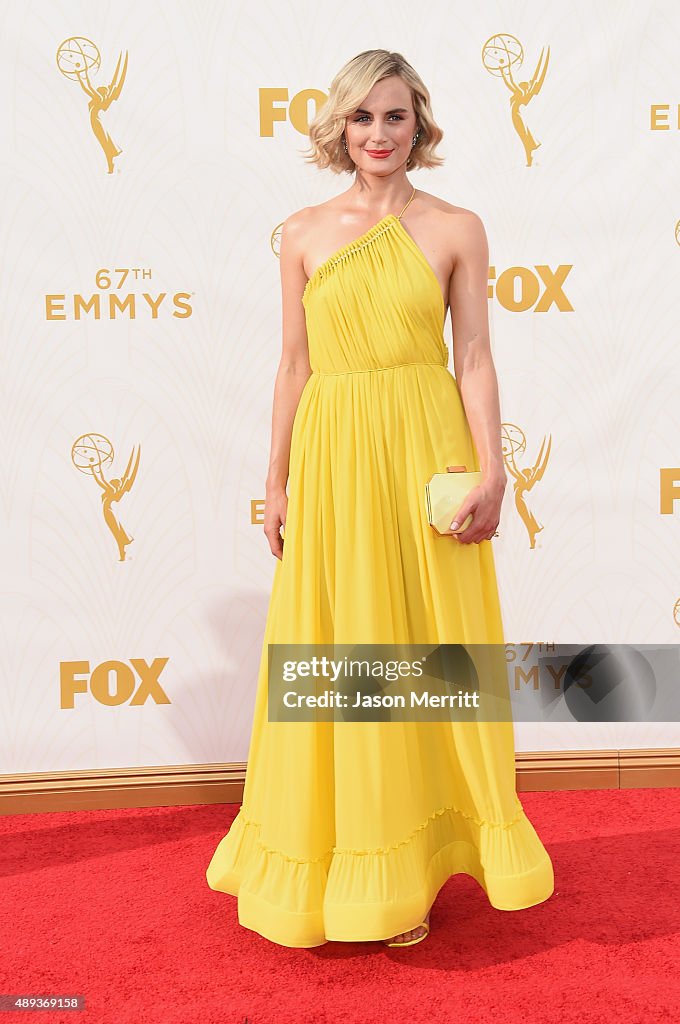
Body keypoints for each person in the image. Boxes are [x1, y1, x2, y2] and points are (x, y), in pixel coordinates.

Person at [206, 48, 554, 949]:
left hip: (423, 446)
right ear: (340, 126)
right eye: (362, 117)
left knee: (429, 648)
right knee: (342, 643)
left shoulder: (457, 228)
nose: (378, 134)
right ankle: (340, 855)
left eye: (394, 116)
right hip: (335, 454)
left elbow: (473, 356)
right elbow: (294, 363)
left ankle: (411, 864)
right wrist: (276, 481)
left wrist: (493, 469)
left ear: (419, 124)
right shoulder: (303, 231)